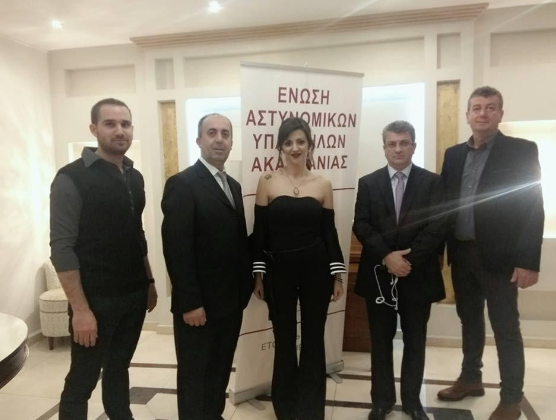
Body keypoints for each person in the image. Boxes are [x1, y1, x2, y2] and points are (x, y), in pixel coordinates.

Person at [437, 86, 544, 420]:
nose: (483, 113)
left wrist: (527, 261)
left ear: (500, 114)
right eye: (477, 107)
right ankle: (471, 378)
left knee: (505, 328)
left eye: (490, 107)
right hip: (462, 254)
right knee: (469, 320)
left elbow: (533, 206)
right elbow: (444, 205)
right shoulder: (453, 155)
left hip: (501, 260)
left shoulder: (521, 150)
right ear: (467, 114)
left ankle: (511, 398)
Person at [50, 98, 158, 420]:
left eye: (125, 124)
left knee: (119, 367)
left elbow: (136, 234)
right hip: (95, 300)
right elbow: (62, 248)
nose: (119, 131)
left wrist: (149, 281)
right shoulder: (72, 177)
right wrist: (81, 310)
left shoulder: (134, 176)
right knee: (82, 379)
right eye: (110, 124)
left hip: (133, 294)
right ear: (94, 129)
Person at [251, 117, 346, 420]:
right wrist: (258, 274)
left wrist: (337, 275)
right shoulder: (267, 181)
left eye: (301, 141)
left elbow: (329, 233)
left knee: (314, 339)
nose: (295, 147)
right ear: (280, 147)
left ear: (310, 145)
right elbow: (260, 232)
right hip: (278, 273)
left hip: (316, 272)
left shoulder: (323, 184)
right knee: (284, 338)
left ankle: (311, 409)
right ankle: (286, 407)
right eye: (289, 142)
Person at [161, 113, 253, 420]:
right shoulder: (182, 184)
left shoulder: (233, 186)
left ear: (231, 142)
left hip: (230, 303)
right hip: (198, 306)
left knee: (219, 371)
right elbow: (177, 249)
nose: (219, 139)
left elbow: (237, 242)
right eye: (212, 133)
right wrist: (190, 303)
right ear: (199, 140)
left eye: (225, 133)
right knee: (194, 377)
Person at [353, 120, 446, 420]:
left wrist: (406, 260)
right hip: (379, 275)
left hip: (417, 275)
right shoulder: (368, 183)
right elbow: (361, 224)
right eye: (391, 144)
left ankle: (412, 402)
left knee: (415, 341)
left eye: (403, 143)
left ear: (413, 146)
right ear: (384, 148)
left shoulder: (432, 183)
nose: (397, 149)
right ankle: (381, 401)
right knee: (380, 342)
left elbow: (437, 226)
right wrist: (386, 257)